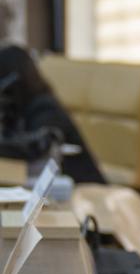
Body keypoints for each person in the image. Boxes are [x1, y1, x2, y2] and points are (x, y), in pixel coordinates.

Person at [0, 44, 106, 184]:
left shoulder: (45, 108)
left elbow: (35, 147)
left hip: (83, 189)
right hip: (54, 189)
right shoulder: (17, 110)